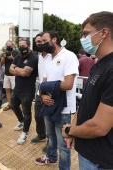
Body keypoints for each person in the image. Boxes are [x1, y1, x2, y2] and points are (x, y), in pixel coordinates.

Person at [62, 11, 113, 169]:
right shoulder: (98, 65)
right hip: (87, 153)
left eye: (86, 34)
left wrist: (70, 130)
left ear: (104, 32)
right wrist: (73, 130)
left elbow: (99, 127)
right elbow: (85, 102)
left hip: (100, 161)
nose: (83, 39)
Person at [34, 31, 79, 169]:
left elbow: (68, 84)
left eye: (45, 40)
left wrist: (46, 88)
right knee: (50, 137)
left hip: (64, 109)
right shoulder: (48, 59)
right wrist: (42, 95)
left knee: (64, 144)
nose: (42, 43)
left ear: (54, 40)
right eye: (40, 41)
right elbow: (43, 83)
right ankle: (52, 158)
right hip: (48, 104)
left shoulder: (69, 56)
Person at [9, 38, 38, 144]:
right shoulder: (17, 57)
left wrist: (18, 70)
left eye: (23, 46)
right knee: (13, 105)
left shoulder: (33, 58)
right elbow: (11, 70)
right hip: (17, 88)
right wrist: (20, 71)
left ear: (29, 46)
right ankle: (21, 121)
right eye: (20, 46)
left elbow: (25, 73)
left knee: (27, 112)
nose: (21, 48)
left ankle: (25, 133)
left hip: (27, 90)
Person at [30, 33, 50, 150]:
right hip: (40, 91)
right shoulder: (39, 57)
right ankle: (41, 135)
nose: (39, 43)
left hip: (50, 91)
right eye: (37, 42)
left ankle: (50, 141)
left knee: (49, 118)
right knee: (38, 116)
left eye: (41, 41)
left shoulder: (52, 56)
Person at [1, 40, 19, 111]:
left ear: (13, 46)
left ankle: (16, 105)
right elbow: (1, 63)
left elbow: (19, 63)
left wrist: (12, 58)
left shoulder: (16, 53)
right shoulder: (4, 53)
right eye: (7, 46)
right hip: (6, 74)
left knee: (15, 90)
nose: (9, 48)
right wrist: (4, 57)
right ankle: (9, 104)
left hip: (14, 74)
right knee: (7, 90)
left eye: (10, 46)